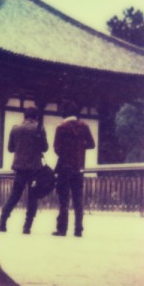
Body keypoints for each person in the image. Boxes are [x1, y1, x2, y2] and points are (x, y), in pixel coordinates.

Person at [0, 106, 48, 234]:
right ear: (36, 117)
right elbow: (45, 148)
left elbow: (10, 148)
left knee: (14, 195)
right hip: (34, 168)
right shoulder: (39, 128)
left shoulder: (16, 128)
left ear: (24, 116)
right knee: (33, 197)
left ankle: (2, 222)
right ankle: (27, 227)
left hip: (20, 167)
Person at [52, 100, 95, 237]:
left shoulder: (61, 127)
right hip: (78, 167)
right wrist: (80, 149)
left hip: (64, 167)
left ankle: (62, 229)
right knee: (78, 199)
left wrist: (67, 152)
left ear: (64, 113)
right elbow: (92, 144)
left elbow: (57, 149)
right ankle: (78, 229)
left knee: (63, 199)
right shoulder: (84, 126)